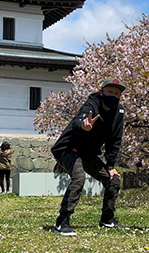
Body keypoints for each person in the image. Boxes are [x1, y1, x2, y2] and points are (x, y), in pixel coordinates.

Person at [50, 78, 127, 235]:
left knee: (113, 180)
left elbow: (115, 141)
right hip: (68, 149)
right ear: (101, 92)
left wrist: (111, 166)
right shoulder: (92, 104)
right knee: (79, 178)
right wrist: (84, 126)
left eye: (117, 93)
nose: (113, 95)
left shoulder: (119, 112)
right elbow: (80, 120)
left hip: (88, 153)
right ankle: (62, 222)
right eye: (110, 92)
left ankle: (107, 219)